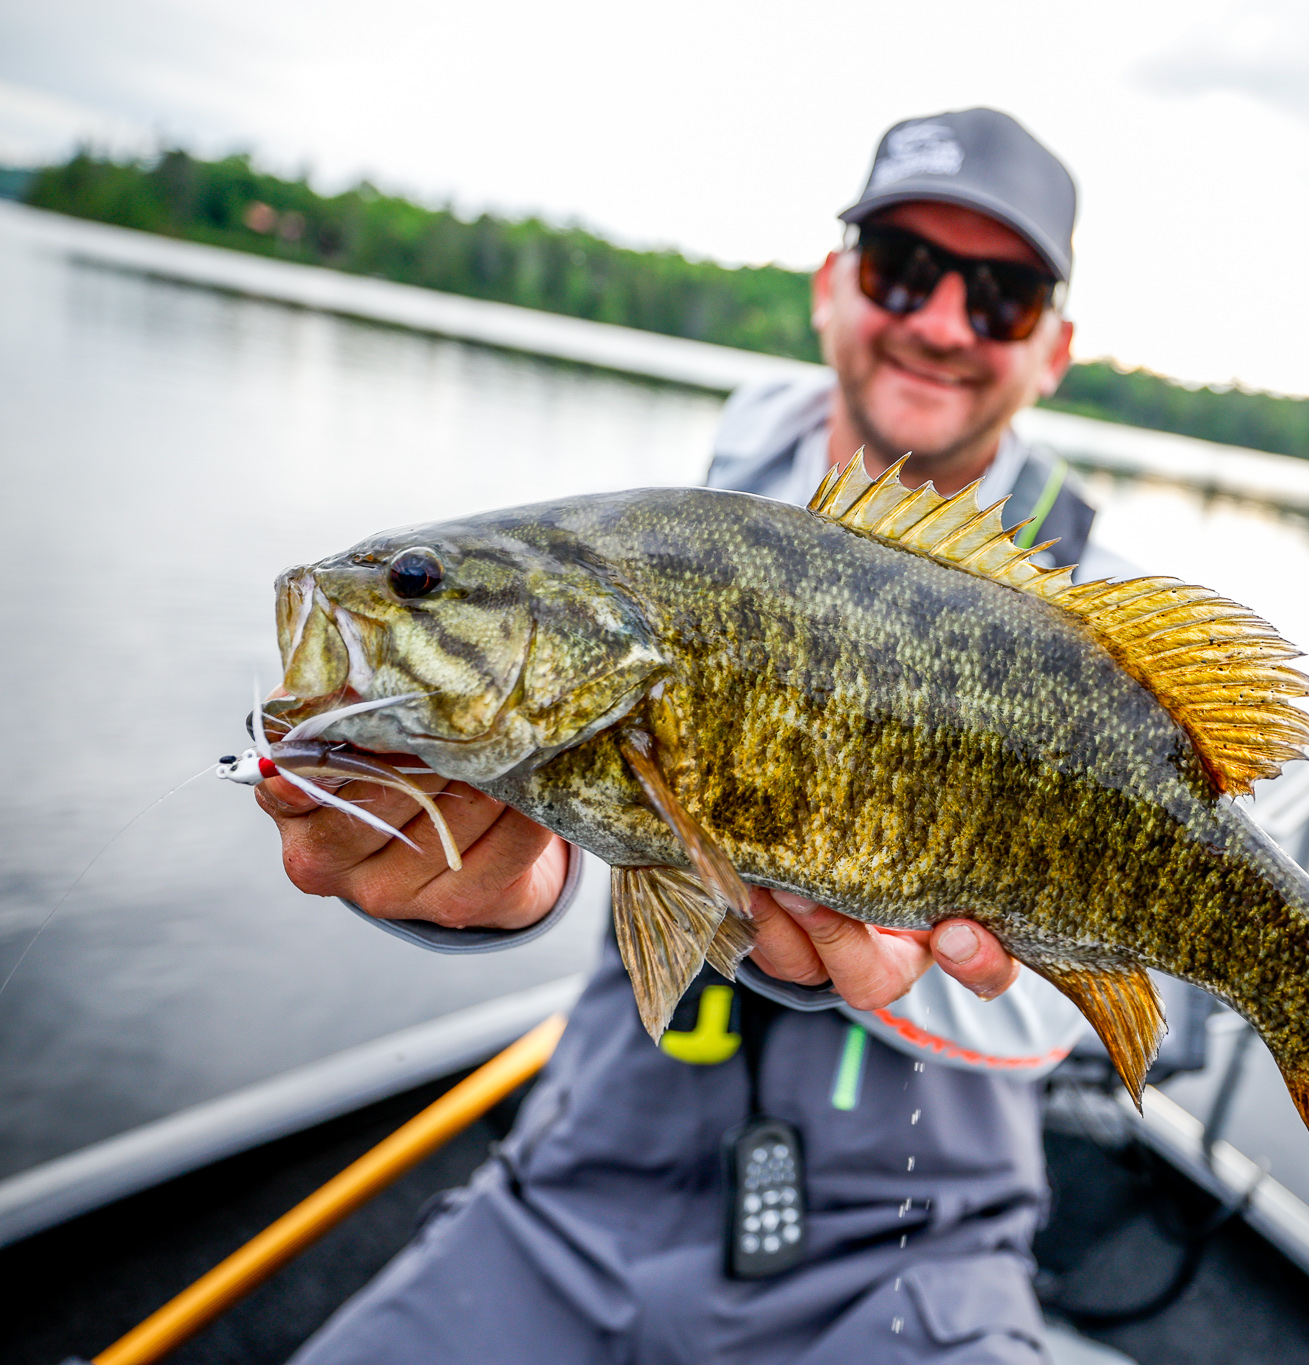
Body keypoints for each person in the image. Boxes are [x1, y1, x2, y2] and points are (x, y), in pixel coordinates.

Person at [260, 109, 1132, 1364]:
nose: (942, 320)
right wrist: (468, 883)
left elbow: (1079, 1007)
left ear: (1052, 349)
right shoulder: (654, 544)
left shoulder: (1102, 634)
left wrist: (799, 944)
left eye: (999, 296)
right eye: (899, 268)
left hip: (907, 1248)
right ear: (832, 289)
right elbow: (555, 848)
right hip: (577, 1198)